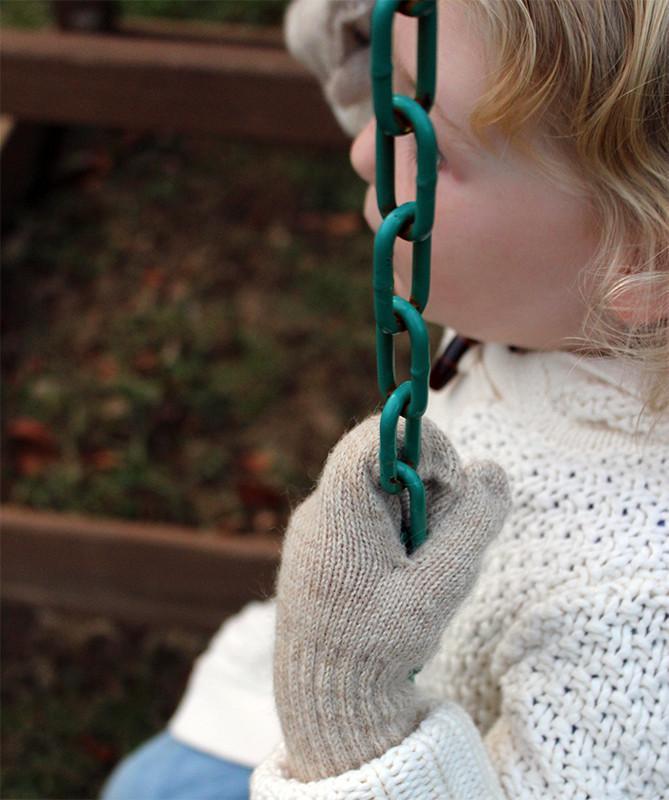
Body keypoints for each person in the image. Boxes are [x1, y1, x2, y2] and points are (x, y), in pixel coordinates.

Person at [101, 0, 669, 798]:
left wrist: (350, 716)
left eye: (421, 131)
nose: (366, 144)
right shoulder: (561, 291)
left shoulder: (641, 631)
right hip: (265, 704)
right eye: (391, 91)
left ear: (642, 257)